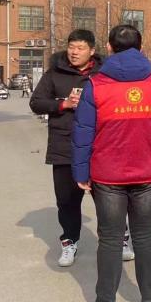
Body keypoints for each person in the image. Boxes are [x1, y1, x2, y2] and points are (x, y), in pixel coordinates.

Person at [72, 25, 151, 302]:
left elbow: (83, 132)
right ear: (141, 48)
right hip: (147, 172)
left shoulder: (96, 84)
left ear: (108, 47)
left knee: (109, 238)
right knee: (145, 235)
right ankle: (150, 299)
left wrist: (80, 172)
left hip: (107, 175)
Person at [29, 29, 106, 267]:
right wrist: (63, 104)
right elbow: (36, 102)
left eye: (80, 48)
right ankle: (70, 241)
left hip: (99, 146)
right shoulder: (55, 73)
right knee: (66, 200)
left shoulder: (104, 73)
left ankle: (118, 239)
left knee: (107, 199)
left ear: (92, 51)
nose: (74, 52)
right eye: (71, 47)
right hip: (64, 146)